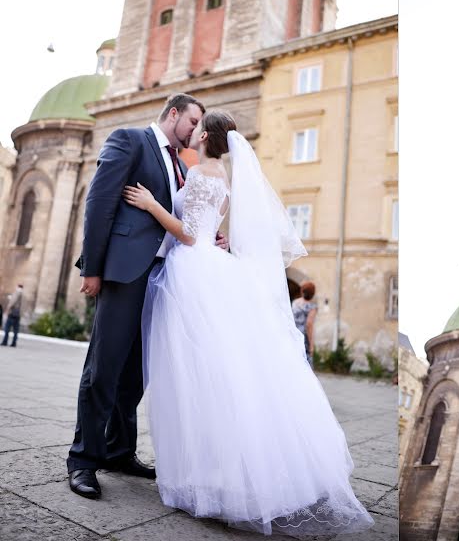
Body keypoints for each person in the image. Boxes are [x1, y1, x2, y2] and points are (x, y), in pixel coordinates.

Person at [122, 110, 373, 535]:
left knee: (195, 376)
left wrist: (150, 205)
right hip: (208, 266)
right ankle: (224, 474)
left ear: (204, 134)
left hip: (191, 271)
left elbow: (187, 233)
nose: (194, 128)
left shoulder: (202, 173)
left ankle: (206, 478)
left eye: (199, 124)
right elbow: (209, 230)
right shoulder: (221, 177)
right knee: (218, 374)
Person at [67, 94, 229, 500]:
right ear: (173, 114)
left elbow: (187, 221)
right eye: (192, 121)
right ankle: (84, 460)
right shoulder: (130, 140)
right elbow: (100, 203)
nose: (196, 129)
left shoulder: (180, 163)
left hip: (163, 279)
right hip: (125, 274)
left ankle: (119, 451)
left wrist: (212, 238)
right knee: (103, 369)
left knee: (137, 373)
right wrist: (93, 268)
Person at [292, 281, 318, 366]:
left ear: (302, 291)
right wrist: (311, 345)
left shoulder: (295, 303)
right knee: (305, 364)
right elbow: (309, 324)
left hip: (293, 335)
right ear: (312, 294)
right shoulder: (312, 307)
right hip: (304, 338)